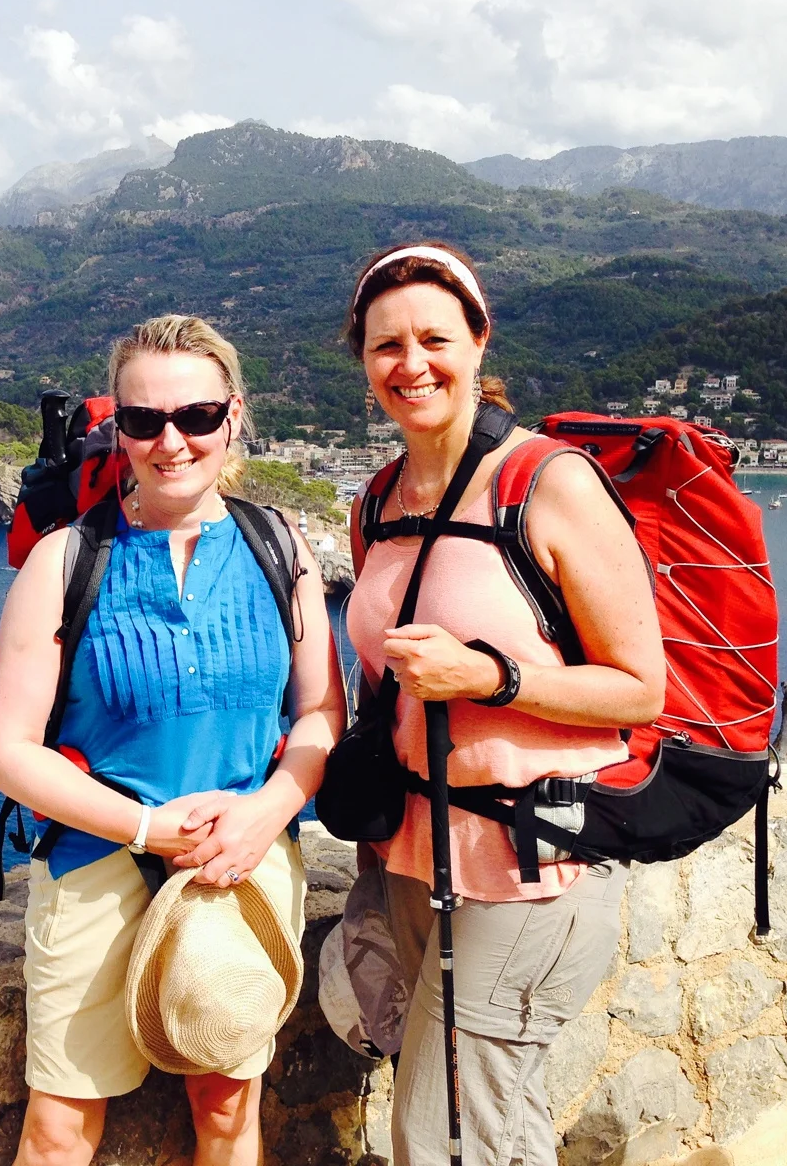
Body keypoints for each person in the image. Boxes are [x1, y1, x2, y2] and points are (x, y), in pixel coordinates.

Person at [0, 314, 346, 1166]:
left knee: (226, 1106)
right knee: (61, 1125)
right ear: (120, 429)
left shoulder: (278, 548)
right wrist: (144, 830)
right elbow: (6, 748)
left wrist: (267, 813)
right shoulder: (66, 561)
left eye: (197, 417)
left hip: (243, 859)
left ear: (235, 415)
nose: (171, 442)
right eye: (144, 421)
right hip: (97, 863)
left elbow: (323, 716)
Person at [341, 245, 665, 1165]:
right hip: (412, 853)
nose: (412, 364)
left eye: (435, 338)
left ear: (479, 343)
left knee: (437, 1136)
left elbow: (641, 687)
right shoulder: (377, 502)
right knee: (497, 1124)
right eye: (385, 346)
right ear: (363, 363)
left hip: (528, 867)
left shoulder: (548, 483)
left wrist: (492, 678)